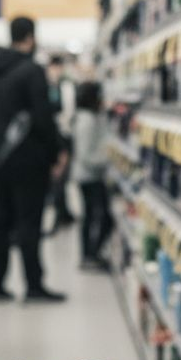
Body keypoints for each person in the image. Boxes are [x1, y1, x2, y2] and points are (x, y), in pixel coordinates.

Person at [0, 17, 66, 303]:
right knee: (29, 221)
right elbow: (43, 117)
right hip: (29, 158)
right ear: (30, 37)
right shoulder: (32, 70)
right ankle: (33, 285)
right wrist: (55, 153)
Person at [71, 81, 115, 271]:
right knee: (98, 216)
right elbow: (85, 154)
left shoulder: (90, 117)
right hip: (89, 176)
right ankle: (89, 255)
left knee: (91, 216)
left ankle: (90, 254)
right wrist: (108, 160)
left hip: (91, 175)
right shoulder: (86, 120)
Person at [46, 56, 76, 231]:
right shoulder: (48, 86)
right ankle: (62, 212)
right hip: (53, 138)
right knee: (57, 178)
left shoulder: (66, 86)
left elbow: (68, 113)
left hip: (63, 138)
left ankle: (62, 213)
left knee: (61, 176)